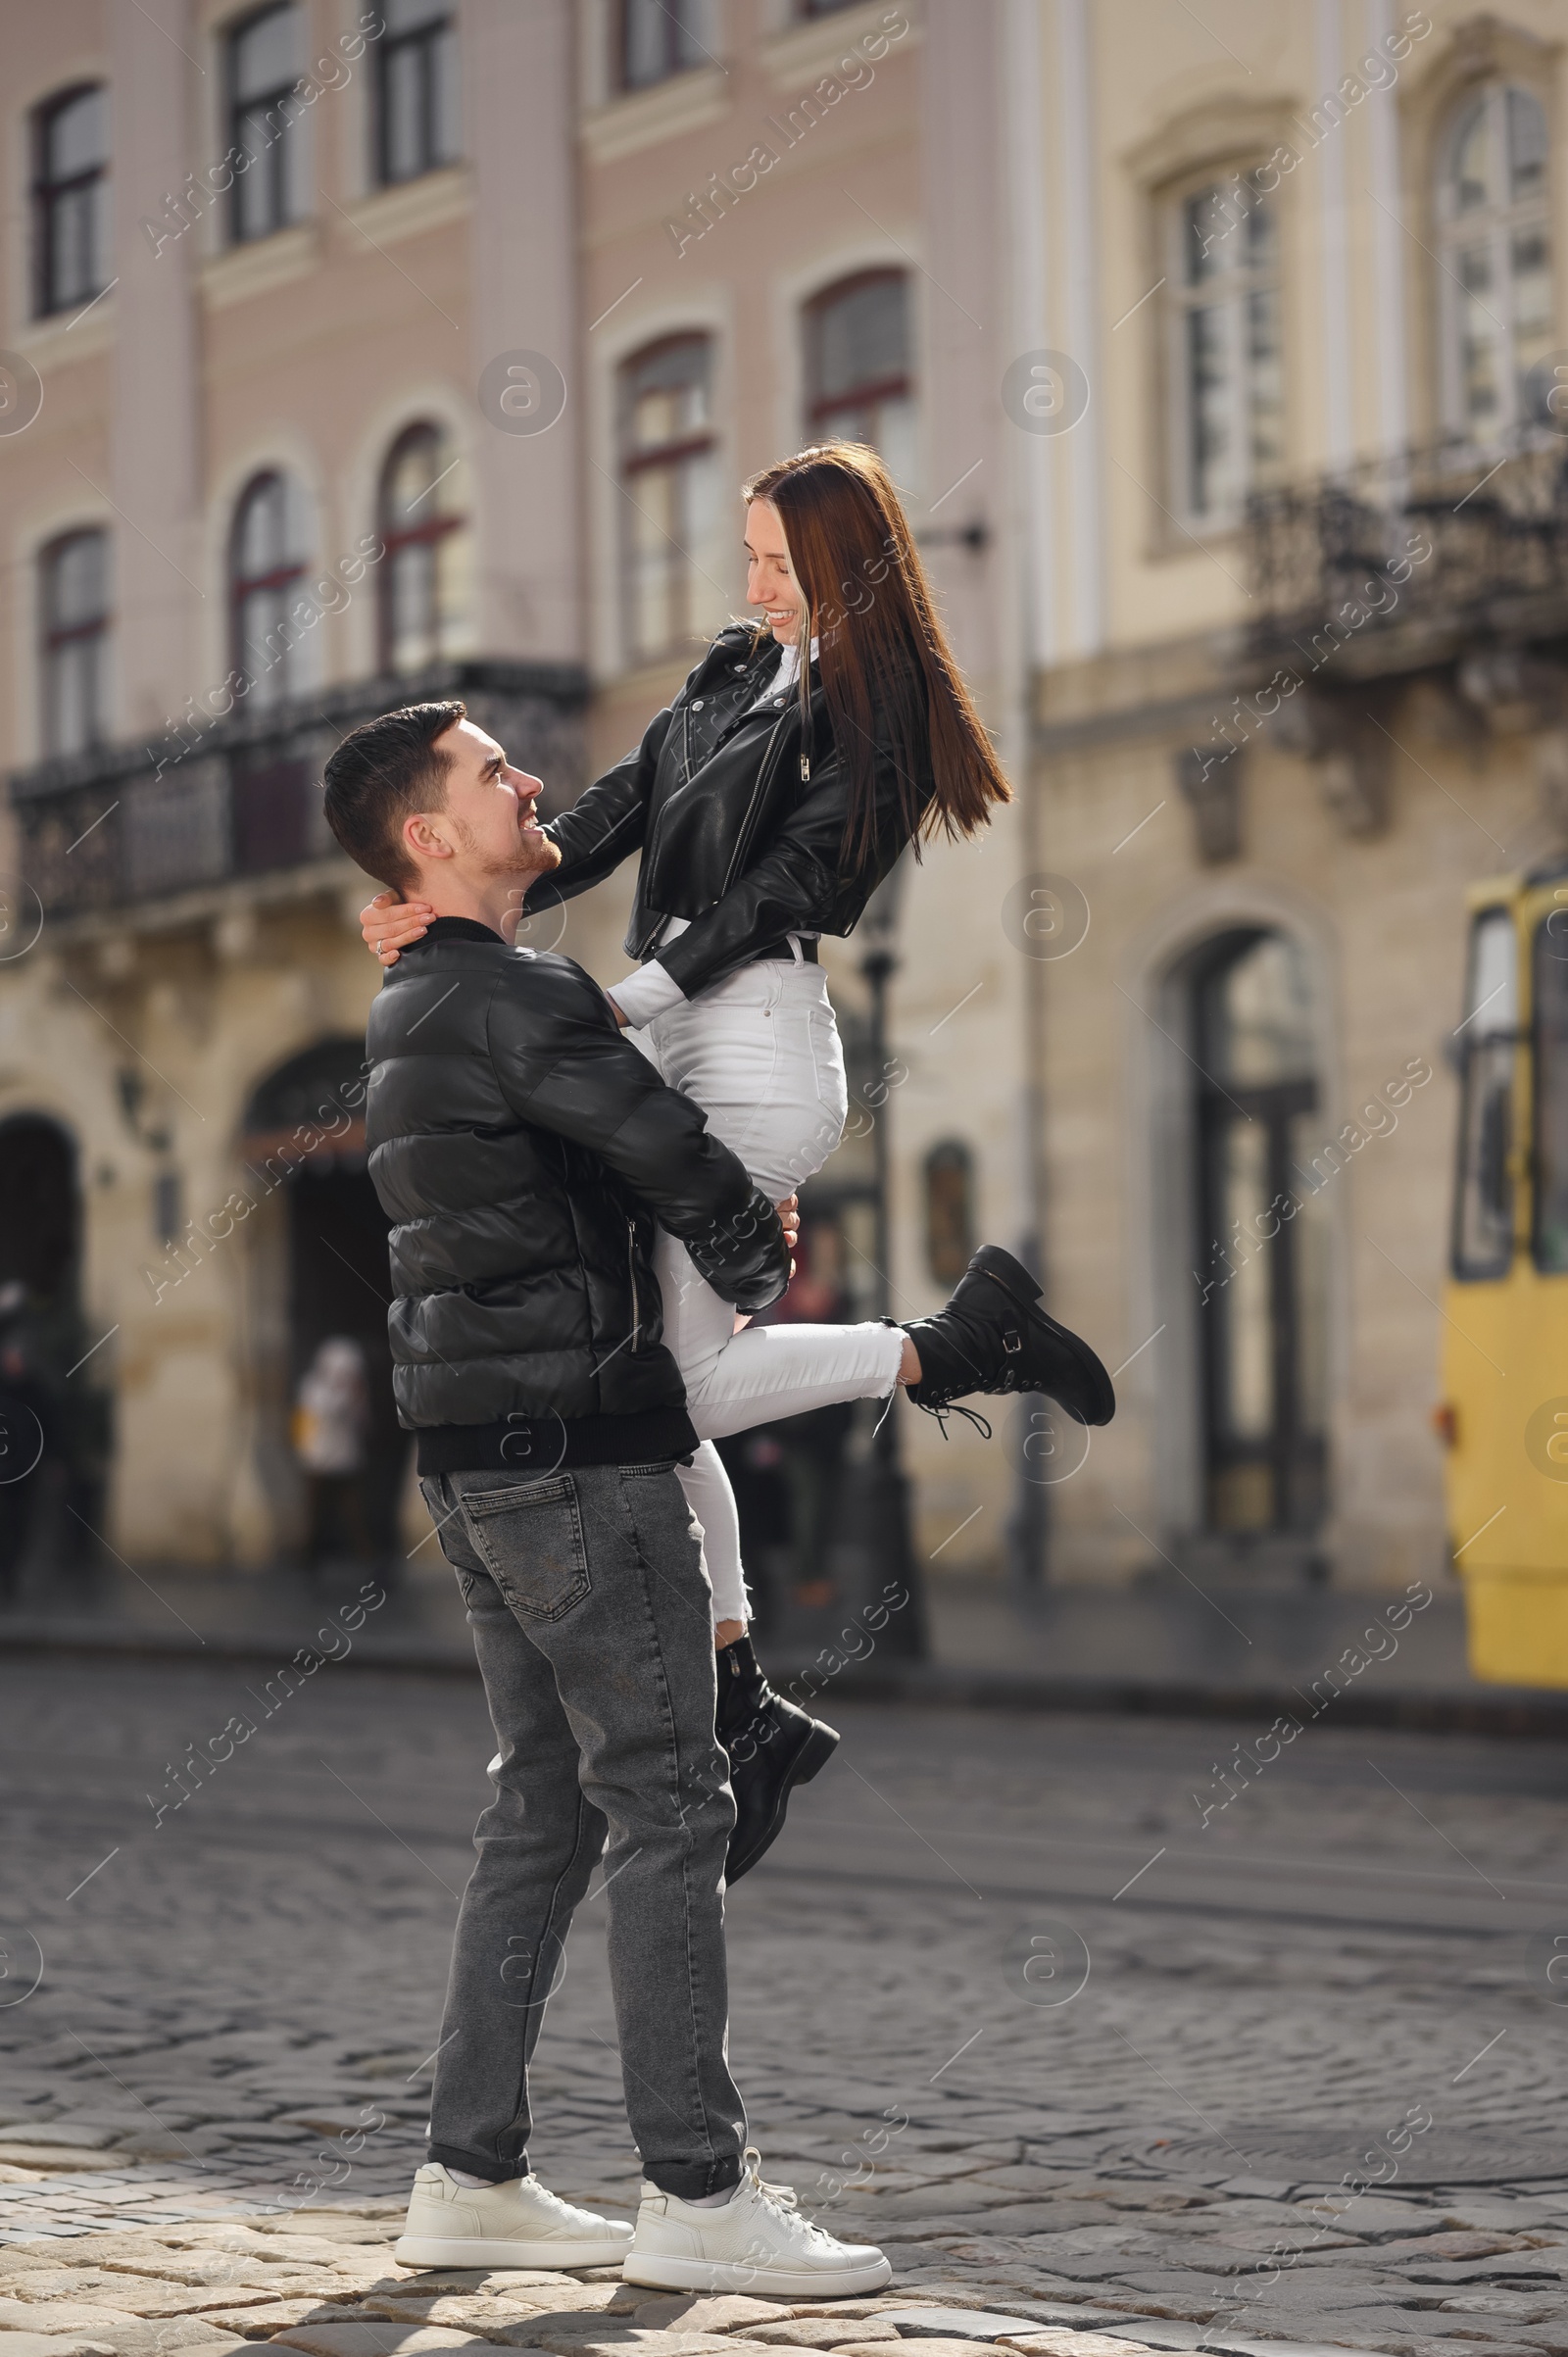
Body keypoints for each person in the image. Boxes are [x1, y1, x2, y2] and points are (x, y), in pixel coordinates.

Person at [322, 698, 1111, 2284]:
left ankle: (468, 2173)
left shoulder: (417, 1001)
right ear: (428, 837)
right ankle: (697, 2197)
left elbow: (587, 1160)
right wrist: (755, 1259)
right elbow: (677, 1155)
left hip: (477, 1462)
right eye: (493, 773)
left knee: (542, 1806)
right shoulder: (521, 995)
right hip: (588, 1462)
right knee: (677, 1806)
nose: (527, 779)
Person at [359, 442, 1102, 1871]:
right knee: (654, 1392)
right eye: (750, 555)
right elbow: (606, 819)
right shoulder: (719, 678)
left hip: (750, 1037)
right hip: (667, 1027)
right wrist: (449, 902)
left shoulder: (872, 716)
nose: (755, 583)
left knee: (677, 1379)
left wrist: (633, 994)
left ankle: (950, 1348)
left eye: (780, 562)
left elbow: (787, 888)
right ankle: (746, 1694)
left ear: (845, 567)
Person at [292, 1335, 372, 1578]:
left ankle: (366, 1558)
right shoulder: (313, 1387)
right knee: (315, 1511)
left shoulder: (353, 1391)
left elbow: (362, 1420)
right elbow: (321, 1412)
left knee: (353, 1511)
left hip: (346, 1458)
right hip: (318, 1459)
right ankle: (309, 1560)